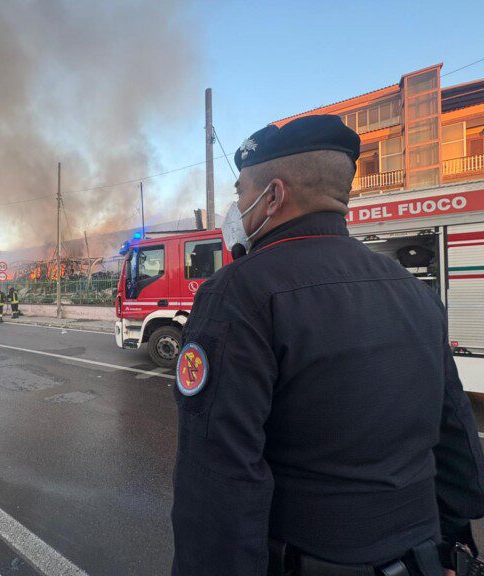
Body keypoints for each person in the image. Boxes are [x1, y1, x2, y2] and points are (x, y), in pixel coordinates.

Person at [171, 115, 484, 576]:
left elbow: (220, 481)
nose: (236, 209)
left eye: (240, 194)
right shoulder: (413, 289)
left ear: (273, 195)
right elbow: (455, 437)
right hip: (422, 558)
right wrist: (452, 542)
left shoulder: (240, 292)